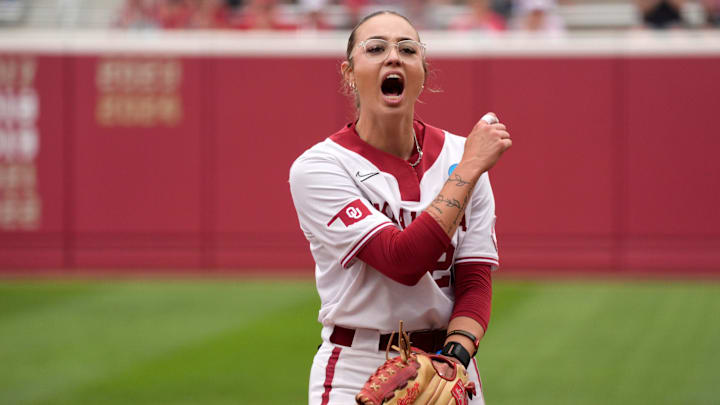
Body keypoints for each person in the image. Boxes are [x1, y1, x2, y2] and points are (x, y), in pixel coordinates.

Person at [288, 10, 512, 405]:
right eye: (375, 48)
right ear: (349, 73)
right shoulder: (319, 167)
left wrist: (455, 356)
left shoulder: (461, 153)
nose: (393, 57)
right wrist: (471, 169)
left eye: (407, 49)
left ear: (422, 72)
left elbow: (474, 278)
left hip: (450, 366)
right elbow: (403, 260)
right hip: (357, 366)